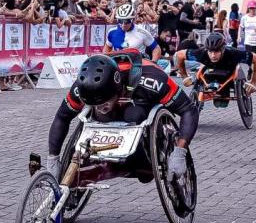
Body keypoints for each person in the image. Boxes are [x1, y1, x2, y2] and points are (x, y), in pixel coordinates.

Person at [44, 52, 199, 183]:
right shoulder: (83, 86)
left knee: (133, 115)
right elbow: (62, 117)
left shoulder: (153, 79)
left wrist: (180, 152)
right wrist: (53, 159)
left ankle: (143, 160)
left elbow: (188, 110)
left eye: (104, 103)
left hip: (140, 101)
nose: (101, 108)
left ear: (117, 89)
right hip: (117, 101)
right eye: (96, 105)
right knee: (97, 121)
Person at [173, 31, 256, 106]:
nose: (213, 55)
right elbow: (179, 55)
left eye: (216, 52)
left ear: (223, 49)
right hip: (210, 74)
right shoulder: (201, 53)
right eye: (210, 51)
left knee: (221, 103)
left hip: (229, 77)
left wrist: (254, 83)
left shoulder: (233, 53)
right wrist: (185, 77)